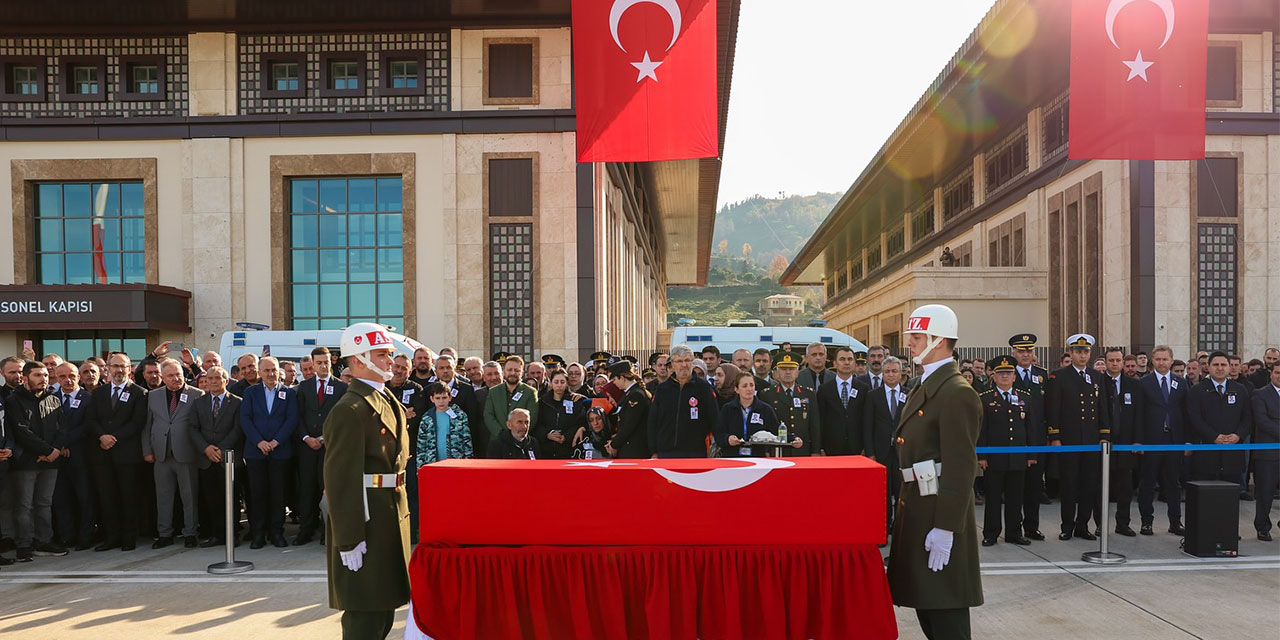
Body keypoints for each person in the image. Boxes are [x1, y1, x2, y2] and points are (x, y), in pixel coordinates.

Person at [887, 304, 982, 639]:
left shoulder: (956, 392)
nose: (909, 343)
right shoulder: (924, 384)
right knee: (928, 604)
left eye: (917, 336)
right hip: (918, 504)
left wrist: (945, 528)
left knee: (946, 613)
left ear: (939, 340)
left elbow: (960, 466)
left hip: (937, 510)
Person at [323, 322, 411, 640]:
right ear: (359, 359)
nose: (391, 360)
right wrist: (349, 538)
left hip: (388, 515)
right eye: (383, 354)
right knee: (365, 617)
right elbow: (340, 478)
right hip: (367, 521)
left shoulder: (384, 399)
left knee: (382, 610)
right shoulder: (350, 409)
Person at [1045, 334, 1108, 541]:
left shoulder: (1097, 377)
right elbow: (1053, 408)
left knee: (1089, 485)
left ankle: (1083, 525)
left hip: (1090, 440)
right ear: (1070, 353)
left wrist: (1103, 434)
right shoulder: (1059, 376)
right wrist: (1055, 436)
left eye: (1086, 351)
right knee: (1069, 485)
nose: (1082, 355)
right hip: (1069, 439)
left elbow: (1102, 408)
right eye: (1078, 351)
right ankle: (1067, 526)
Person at [3, 361, 68, 561]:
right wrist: (46, 450)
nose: (43, 379)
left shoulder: (53, 399)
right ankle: (24, 545)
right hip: (25, 463)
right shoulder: (14, 400)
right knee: (24, 506)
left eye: (45, 375)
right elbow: (22, 431)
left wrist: (54, 451)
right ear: (25, 378)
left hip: (51, 462)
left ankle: (44, 541)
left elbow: (62, 428)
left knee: (44, 504)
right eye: (38, 375)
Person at [85, 353, 149, 551]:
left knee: (128, 497)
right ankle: (111, 538)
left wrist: (114, 438)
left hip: (127, 455)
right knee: (107, 498)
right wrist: (102, 436)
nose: (119, 370)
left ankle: (129, 538)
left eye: (123, 366)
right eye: (115, 366)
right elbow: (91, 420)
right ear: (108, 369)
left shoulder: (140, 392)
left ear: (129, 369)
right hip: (102, 455)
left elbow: (137, 423)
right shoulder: (99, 393)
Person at [140, 358, 204, 549]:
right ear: (162, 377)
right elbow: (147, 426)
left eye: (178, 374)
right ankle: (164, 534)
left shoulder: (197, 394)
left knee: (189, 497)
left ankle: (190, 533)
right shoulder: (153, 396)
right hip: (161, 455)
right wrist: (147, 451)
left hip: (187, 454)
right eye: (171, 375)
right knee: (163, 497)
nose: (176, 378)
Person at [977, 355, 1037, 546]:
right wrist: (982, 456)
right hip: (994, 459)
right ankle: (991, 533)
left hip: (1018, 457)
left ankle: (1014, 533)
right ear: (993, 376)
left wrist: (1031, 455)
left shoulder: (1024, 398)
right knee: (993, 498)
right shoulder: (985, 399)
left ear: (1014, 376)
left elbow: (1031, 429)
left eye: (1008, 373)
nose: (1005, 376)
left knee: (1015, 497)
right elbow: (982, 430)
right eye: (1000, 373)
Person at [240, 356, 299, 549]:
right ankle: (258, 533)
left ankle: (276, 533)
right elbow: (245, 420)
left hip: (280, 452)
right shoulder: (250, 392)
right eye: (266, 370)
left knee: (278, 495)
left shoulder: (289, 394)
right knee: (257, 494)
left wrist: (275, 442)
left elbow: (291, 420)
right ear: (260, 372)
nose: (270, 374)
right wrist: (260, 442)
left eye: (273, 370)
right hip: (256, 453)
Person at [294, 346, 347, 546]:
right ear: (313, 365)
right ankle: (305, 530)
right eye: (319, 363)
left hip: (330, 446)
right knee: (307, 489)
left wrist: (324, 438)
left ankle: (328, 531)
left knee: (328, 489)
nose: (323, 365)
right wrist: (307, 437)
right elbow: (297, 416)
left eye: (326, 362)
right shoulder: (304, 387)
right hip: (307, 446)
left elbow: (342, 419)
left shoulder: (342, 388)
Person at [1136, 345, 1188, 536]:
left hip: (1174, 440)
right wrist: (1139, 440)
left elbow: (1185, 413)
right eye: (1158, 359)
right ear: (1152, 360)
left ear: (1171, 360)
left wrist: (1187, 441)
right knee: (1148, 483)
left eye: (1165, 359)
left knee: (1173, 484)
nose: (1161, 362)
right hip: (1151, 440)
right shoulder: (1144, 383)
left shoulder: (1180, 383)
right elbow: (1138, 414)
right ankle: (1146, 522)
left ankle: (1175, 522)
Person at [191, 366, 243, 548]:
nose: (213, 381)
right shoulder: (199, 403)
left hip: (228, 459)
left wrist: (221, 449)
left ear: (226, 381)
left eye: (217, 378)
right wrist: (206, 448)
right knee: (211, 499)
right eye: (210, 378)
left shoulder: (237, 402)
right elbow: (193, 429)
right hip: (207, 459)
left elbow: (238, 429)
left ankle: (232, 534)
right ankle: (216, 534)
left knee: (231, 498)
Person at [1186, 352, 1252, 482]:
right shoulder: (1197, 390)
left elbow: (1248, 417)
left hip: (1233, 453)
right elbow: (1194, 419)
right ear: (1208, 367)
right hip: (1206, 453)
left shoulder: (1240, 389)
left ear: (1229, 367)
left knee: (1230, 496)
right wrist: (1213, 436)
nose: (1220, 368)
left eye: (1223, 365)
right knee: (1206, 496)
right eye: (1216, 365)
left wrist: (1238, 435)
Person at [1009, 333, 1049, 540]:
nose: (1025, 354)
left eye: (1029, 350)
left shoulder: (1042, 376)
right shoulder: (1005, 374)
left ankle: (1032, 527)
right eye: (1021, 351)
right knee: (1016, 487)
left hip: (1037, 439)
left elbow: (1048, 407)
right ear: (1013, 352)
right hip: (1014, 438)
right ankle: (1014, 529)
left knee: (1034, 487)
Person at [51, 362, 95, 550]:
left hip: (82, 457)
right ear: (57, 378)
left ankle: (86, 536)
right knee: (61, 499)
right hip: (57, 457)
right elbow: (48, 426)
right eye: (62, 377)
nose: (67, 380)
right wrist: (58, 446)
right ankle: (66, 536)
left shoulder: (90, 398)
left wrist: (65, 443)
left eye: (71, 376)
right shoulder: (50, 398)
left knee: (85, 498)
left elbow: (88, 425)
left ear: (78, 377)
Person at [1100, 347, 1143, 536]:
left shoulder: (1134, 385)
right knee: (1101, 487)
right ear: (1106, 362)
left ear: (1123, 362)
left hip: (1126, 443)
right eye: (1111, 360)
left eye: (1118, 360)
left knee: (1125, 487)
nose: (1115, 364)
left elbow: (1140, 415)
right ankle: (1100, 524)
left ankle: (1123, 523)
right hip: (1103, 442)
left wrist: (1138, 440)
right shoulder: (1098, 383)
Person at [648, 345, 717, 459]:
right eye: (679, 361)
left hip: (695, 453)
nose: (684, 365)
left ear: (692, 362)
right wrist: (653, 451)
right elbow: (652, 422)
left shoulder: (704, 388)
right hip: (665, 452)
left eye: (687, 360)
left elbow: (714, 419)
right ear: (672, 364)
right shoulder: (662, 389)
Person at [862, 355, 906, 531]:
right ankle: (883, 527)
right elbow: (867, 426)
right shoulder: (873, 396)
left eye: (894, 371)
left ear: (901, 373)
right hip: (880, 452)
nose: (891, 375)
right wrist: (870, 452)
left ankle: (900, 528)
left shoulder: (909, 394)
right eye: (887, 371)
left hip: (902, 453)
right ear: (882, 373)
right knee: (882, 494)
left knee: (901, 492)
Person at [760, 352, 820, 457]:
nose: (788, 372)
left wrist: (815, 451)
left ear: (797, 373)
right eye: (783, 369)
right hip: (778, 449)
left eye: (791, 369)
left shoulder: (808, 394)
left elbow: (814, 425)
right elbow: (765, 426)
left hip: (802, 449)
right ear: (777, 373)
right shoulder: (767, 394)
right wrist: (766, 451)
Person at [816, 346, 869, 456]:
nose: (846, 363)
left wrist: (866, 447)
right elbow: (820, 420)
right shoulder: (824, 389)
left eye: (850, 359)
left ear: (854, 363)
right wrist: (820, 447)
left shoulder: (864, 389)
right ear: (835, 363)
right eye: (842, 359)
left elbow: (867, 420)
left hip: (857, 448)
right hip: (831, 448)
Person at [1250, 361, 1279, 541]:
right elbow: (1262, 421)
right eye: (1277, 372)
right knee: (1265, 492)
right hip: (1267, 453)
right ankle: (1262, 526)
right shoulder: (1259, 394)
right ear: (1271, 373)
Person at [434, 354, 485, 457]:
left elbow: (472, 419)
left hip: (460, 446)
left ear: (454, 369)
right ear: (436, 371)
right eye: (441, 368)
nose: (445, 371)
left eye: (448, 367)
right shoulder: (428, 390)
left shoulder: (467, 389)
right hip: (436, 445)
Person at [482, 356, 539, 447]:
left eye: (517, 370)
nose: (513, 373)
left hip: (520, 442)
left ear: (522, 372)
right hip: (497, 441)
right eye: (509, 370)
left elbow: (532, 417)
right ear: (504, 371)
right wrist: (501, 433)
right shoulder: (493, 391)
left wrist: (516, 434)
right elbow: (488, 415)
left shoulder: (530, 392)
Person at [416, 382, 474, 467]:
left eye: (444, 397)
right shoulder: (426, 418)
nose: (441, 401)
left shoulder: (460, 416)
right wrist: (420, 468)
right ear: (432, 399)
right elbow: (421, 445)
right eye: (437, 398)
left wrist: (468, 464)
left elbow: (467, 441)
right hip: (433, 463)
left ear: (450, 398)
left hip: (457, 463)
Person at [603, 360, 650, 459]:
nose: (614, 383)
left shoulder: (636, 395)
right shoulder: (629, 394)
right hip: (628, 447)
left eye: (614, 379)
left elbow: (629, 424)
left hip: (635, 450)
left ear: (622, 378)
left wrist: (614, 444)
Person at [534, 370, 584, 460]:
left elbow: (578, 423)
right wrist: (546, 434)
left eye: (562, 382)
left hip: (567, 451)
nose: (559, 385)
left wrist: (566, 436)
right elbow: (537, 424)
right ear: (551, 383)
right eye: (556, 382)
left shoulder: (574, 401)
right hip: (545, 451)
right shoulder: (542, 402)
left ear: (566, 383)